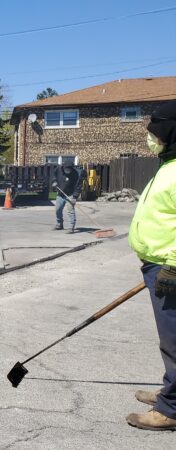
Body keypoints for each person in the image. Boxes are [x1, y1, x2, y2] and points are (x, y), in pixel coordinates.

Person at [126, 100, 176, 431]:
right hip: (158, 265)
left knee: (175, 338)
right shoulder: (168, 165)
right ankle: (170, 391)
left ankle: (170, 409)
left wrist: (170, 268)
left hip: (170, 268)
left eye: (155, 129)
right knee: (169, 337)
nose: (150, 136)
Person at [50, 160, 82, 233]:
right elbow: (53, 175)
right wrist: (54, 181)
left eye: (69, 169)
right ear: (63, 167)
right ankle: (59, 224)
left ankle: (71, 227)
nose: (67, 171)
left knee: (70, 211)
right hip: (60, 194)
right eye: (66, 169)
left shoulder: (75, 174)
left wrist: (74, 197)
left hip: (70, 194)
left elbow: (78, 186)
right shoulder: (58, 169)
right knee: (58, 209)